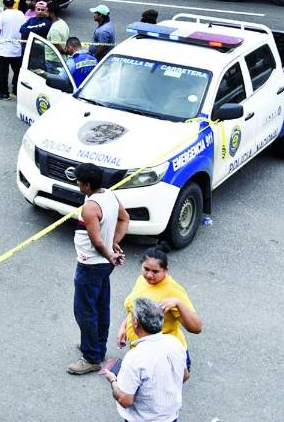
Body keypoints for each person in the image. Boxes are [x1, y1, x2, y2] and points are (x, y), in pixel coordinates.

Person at [69, 161, 130, 375]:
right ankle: (96, 345)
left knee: (84, 310)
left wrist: (109, 252)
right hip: (103, 265)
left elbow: (96, 241)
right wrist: (114, 243)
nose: (77, 184)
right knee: (101, 306)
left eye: (78, 181)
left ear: (86, 185)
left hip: (90, 265)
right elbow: (125, 218)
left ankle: (92, 357)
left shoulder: (90, 207)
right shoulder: (110, 196)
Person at [100, 298, 186, 422]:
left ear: (136, 323)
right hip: (171, 417)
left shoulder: (135, 357)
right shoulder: (175, 343)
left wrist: (113, 380)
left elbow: (125, 400)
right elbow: (184, 375)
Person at [119, 247, 202, 375]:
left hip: (163, 357)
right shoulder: (142, 280)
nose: (149, 275)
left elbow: (196, 328)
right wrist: (123, 327)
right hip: (142, 350)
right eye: (146, 269)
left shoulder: (173, 290)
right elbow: (135, 308)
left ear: (166, 271)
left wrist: (178, 303)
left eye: (155, 271)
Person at [0, 0, 26, 99]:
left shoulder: (1, 15)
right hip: (17, 49)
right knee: (17, 71)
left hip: (3, 50)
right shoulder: (21, 14)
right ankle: (16, 89)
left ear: (3, 3)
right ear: (14, 3)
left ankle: (4, 93)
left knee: (3, 72)